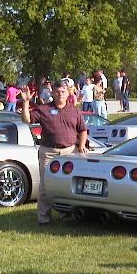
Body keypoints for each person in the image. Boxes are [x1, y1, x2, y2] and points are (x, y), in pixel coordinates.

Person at [21, 81, 88, 225]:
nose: (60, 95)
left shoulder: (74, 110)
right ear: (52, 93)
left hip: (69, 152)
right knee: (46, 185)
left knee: (67, 185)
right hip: (48, 152)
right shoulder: (44, 109)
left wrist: (82, 145)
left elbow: (83, 130)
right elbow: (26, 120)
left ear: (68, 93)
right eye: (57, 92)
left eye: (63, 92)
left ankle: (67, 216)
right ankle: (44, 218)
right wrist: (26, 102)